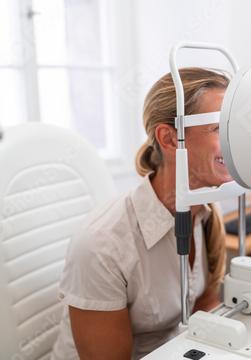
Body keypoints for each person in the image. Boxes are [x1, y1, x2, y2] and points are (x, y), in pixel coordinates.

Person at [52, 68, 232, 359]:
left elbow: (203, 306)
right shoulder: (102, 246)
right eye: (218, 127)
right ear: (170, 139)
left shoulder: (205, 210)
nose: (235, 141)